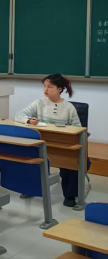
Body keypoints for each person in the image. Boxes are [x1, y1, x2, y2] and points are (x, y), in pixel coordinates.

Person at [15, 74, 83, 207]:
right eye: (44, 86)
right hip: (42, 144)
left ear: (59, 89)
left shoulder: (69, 108)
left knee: (72, 161)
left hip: (62, 146)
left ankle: (70, 196)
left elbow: (78, 129)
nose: (46, 89)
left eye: (50, 87)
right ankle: (30, 188)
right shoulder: (39, 103)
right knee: (28, 155)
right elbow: (18, 115)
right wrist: (28, 120)